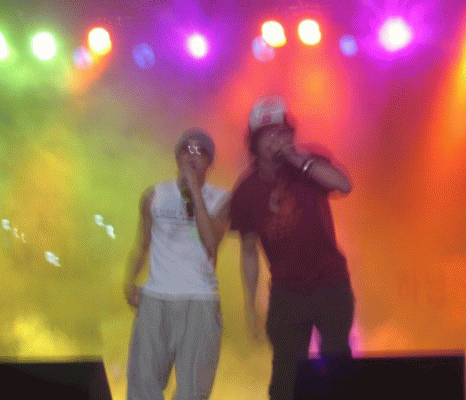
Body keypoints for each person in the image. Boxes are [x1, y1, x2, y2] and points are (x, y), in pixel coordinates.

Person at [229, 95, 355, 399]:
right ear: (254, 143)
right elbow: (248, 251)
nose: (276, 140)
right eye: (268, 135)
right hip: (287, 293)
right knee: (286, 376)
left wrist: (297, 158)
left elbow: (344, 185)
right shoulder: (245, 191)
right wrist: (250, 304)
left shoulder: (310, 164)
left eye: (282, 133)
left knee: (337, 366)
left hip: (330, 283)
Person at [124, 128, 229, 400]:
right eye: (186, 149)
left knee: (193, 392)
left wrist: (195, 192)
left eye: (200, 151)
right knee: (142, 387)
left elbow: (211, 242)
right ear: (176, 157)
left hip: (199, 300)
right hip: (156, 297)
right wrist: (129, 279)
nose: (192, 156)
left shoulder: (222, 199)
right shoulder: (154, 195)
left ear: (210, 161)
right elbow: (142, 244)